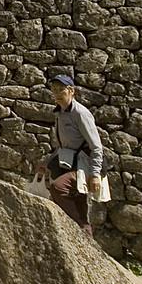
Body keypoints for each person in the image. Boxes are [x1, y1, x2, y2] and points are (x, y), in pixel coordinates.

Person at [39, 73, 108, 237]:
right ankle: (85, 232)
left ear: (71, 91)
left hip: (85, 163)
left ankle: (76, 228)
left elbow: (96, 146)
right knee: (78, 201)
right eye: (54, 90)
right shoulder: (60, 113)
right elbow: (63, 144)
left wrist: (95, 174)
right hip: (68, 161)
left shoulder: (80, 113)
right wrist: (47, 162)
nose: (56, 94)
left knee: (59, 187)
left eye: (60, 90)